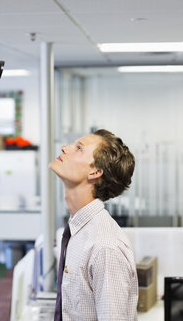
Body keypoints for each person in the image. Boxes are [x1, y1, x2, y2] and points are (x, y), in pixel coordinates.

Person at [50, 129, 138, 321]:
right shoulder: (79, 230)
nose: (65, 148)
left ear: (95, 172)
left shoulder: (104, 247)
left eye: (79, 148)